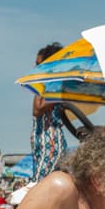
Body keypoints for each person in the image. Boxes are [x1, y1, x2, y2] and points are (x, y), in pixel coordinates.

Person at [32, 42, 68, 182]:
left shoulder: (56, 84)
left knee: (40, 183)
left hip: (51, 140)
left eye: (39, 64)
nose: (36, 67)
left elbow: (38, 109)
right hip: (41, 138)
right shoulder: (48, 84)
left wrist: (40, 81)